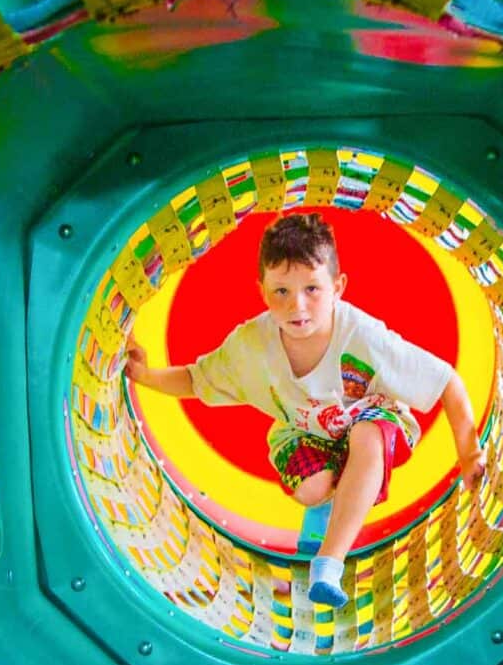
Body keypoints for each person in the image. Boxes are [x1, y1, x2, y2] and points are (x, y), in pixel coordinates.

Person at [125, 213, 483, 607]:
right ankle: (339, 501)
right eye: (281, 291)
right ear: (262, 291)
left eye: (312, 288)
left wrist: (468, 455)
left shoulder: (362, 335)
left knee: (366, 434)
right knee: (313, 489)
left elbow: (446, 380)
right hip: (304, 432)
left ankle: (329, 561)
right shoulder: (251, 344)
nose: (298, 306)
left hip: (374, 419)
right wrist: (143, 375)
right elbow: (196, 380)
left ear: (338, 287)